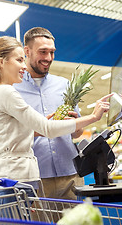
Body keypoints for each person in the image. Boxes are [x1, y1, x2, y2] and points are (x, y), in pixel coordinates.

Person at [0, 36, 112, 206]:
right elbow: (48, 128)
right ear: (2, 62)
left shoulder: (0, 92)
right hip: (16, 181)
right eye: (19, 60)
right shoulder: (6, 92)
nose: (23, 66)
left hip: (21, 181)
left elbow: (13, 134)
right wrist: (93, 117)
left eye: (52, 52)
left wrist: (38, 128)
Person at [13, 27, 88, 200]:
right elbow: (11, 135)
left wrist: (76, 125)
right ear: (27, 51)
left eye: (52, 52)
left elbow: (77, 133)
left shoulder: (64, 85)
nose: (48, 58)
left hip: (70, 175)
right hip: (33, 179)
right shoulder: (13, 88)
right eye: (43, 52)